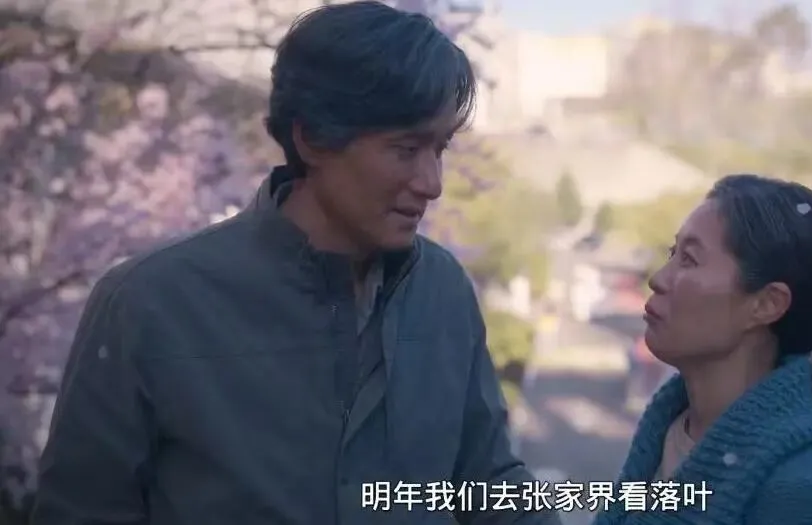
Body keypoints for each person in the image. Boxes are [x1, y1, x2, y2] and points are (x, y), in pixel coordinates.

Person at [31, 3, 559, 525]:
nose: (432, 183)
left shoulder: (442, 290)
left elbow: (489, 485)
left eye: (439, 149)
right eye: (405, 149)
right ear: (312, 138)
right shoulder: (148, 304)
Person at [594, 175, 812, 525]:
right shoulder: (672, 424)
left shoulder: (800, 494)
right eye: (673, 254)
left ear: (766, 304)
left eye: (689, 260)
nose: (658, 279)